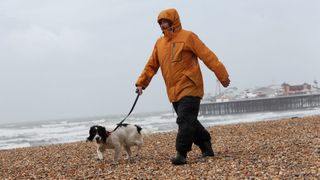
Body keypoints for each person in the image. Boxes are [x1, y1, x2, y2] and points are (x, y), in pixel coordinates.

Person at [135, 8, 230, 165]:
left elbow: (208, 56)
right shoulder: (159, 43)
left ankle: (181, 153)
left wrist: (222, 75)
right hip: (173, 91)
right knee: (189, 120)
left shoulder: (188, 37)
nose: (162, 25)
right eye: (160, 22)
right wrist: (141, 83)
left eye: (165, 21)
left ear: (174, 21)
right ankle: (205, 143)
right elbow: (151, 66)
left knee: (184, 120)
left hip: (191, 86)